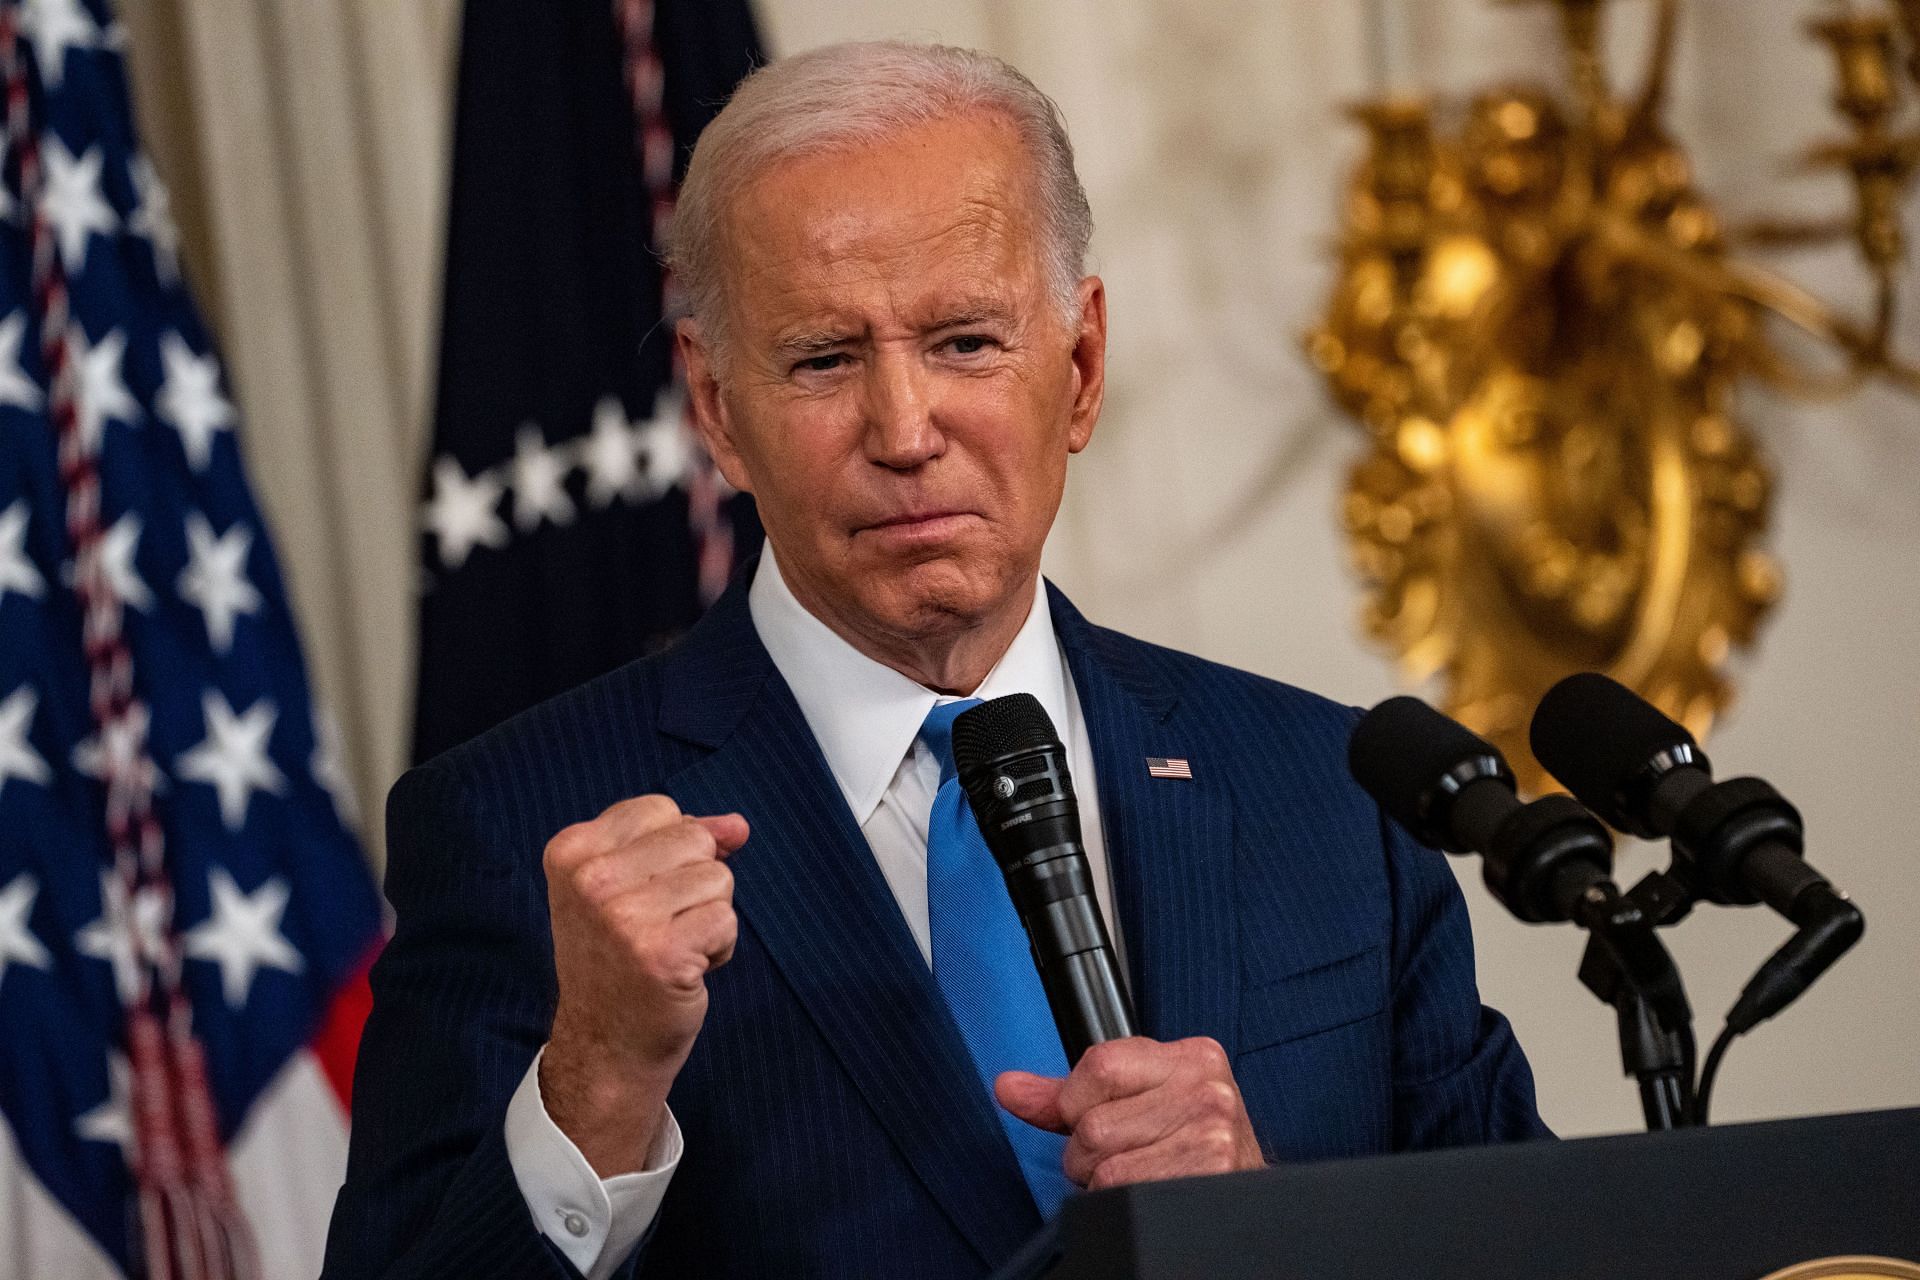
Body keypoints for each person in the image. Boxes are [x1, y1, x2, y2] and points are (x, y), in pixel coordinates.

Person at [322, 41, 1548, 1280]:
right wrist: (596, 1080)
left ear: (1079, 368)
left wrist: (1261, 1223)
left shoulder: (1328, 789)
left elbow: (1525, 1251)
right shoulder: (517, 827)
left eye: (964, 341)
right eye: (823, 359)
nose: (905, 432)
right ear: (715, 407)